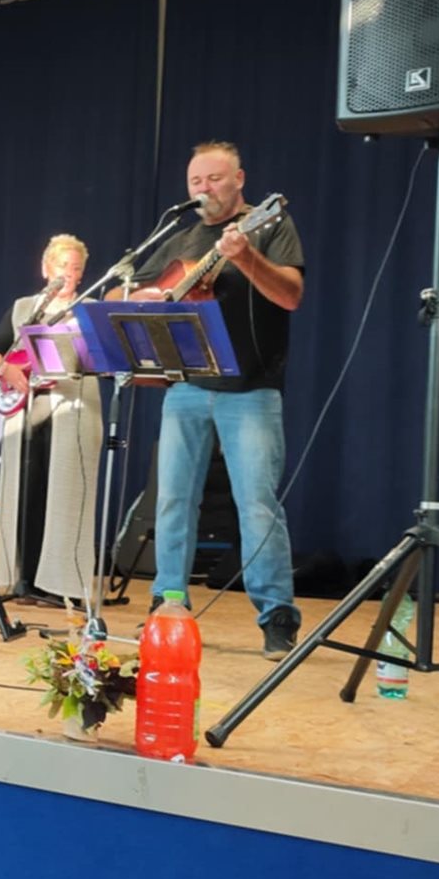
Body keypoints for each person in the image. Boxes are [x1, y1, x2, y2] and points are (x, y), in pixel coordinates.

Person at [126, 141, 306, 657]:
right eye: (196, 181)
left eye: (214, 179)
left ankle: (277, 617)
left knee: (257, 504)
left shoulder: (268, 224)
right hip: (186, 386)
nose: (204, 189)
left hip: (250, 387)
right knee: (173, 500)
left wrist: (244, 258)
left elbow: (290, 295)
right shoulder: (181, 236)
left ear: (239, 179)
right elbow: (129, 292)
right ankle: (168, 604)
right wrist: (150, 297)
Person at [0, 234, 103, 603]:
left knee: (66, 496)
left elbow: (106, 358)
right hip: (28, 408)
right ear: (45, 268)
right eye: (62, 266)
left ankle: (62, 585)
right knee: (26, 492)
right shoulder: (24, 308)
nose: (69, 273)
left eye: (76, 268)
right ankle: (23, 578)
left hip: (74, 408)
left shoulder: (91, 309)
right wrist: (7, 370)